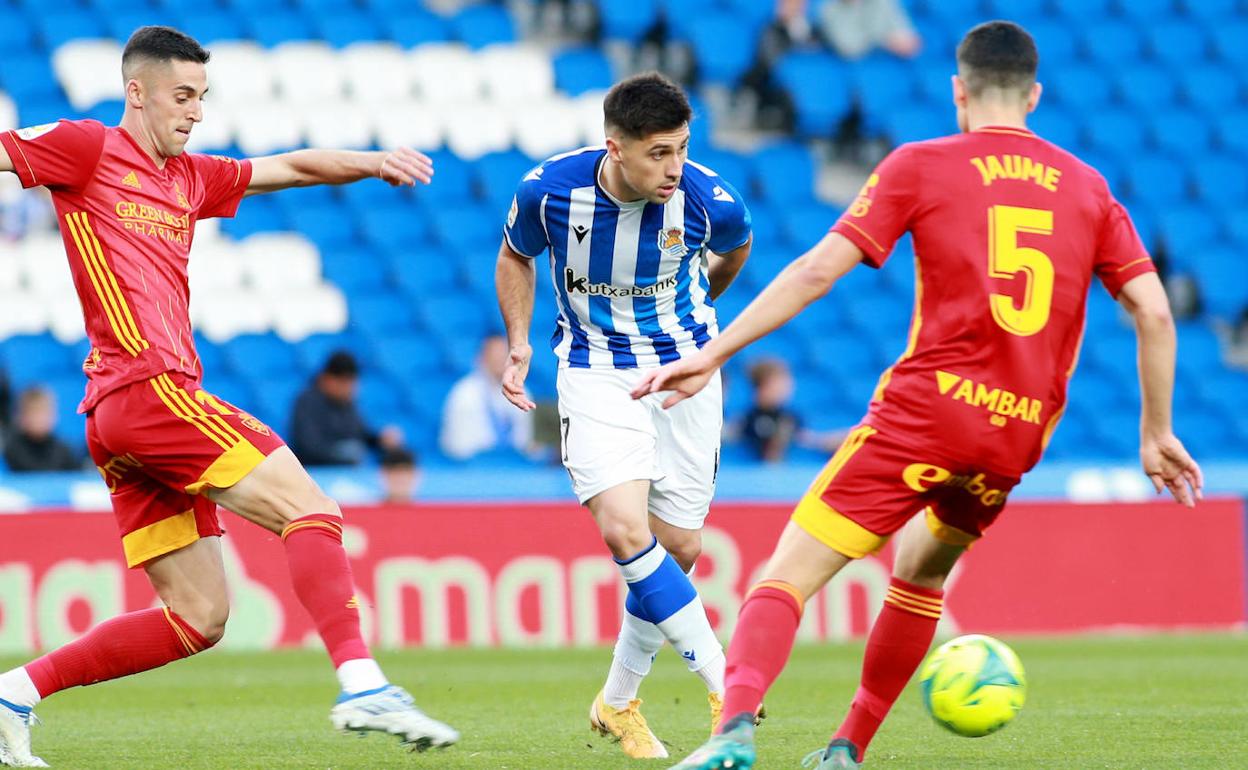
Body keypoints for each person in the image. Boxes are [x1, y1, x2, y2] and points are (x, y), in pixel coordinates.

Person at [633, 21, 1203, 770]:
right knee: (924, 572)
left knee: (786, 576)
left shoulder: (923, 164)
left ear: (958, 92)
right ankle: (846, 750)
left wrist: (713, 354)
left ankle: (733, 732)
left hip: (927, 414)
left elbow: (816, 270)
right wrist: (1155, 430)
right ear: (1034, 95)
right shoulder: (1089, 187)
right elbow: (1155, 312)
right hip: (1017, 431)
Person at [0, 26, 457, 766]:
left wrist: (372, 162)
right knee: (310, 509)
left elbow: (292, 168)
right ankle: (362, 681)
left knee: (198, 616)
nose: (195, 113)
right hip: (148, 389)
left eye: (202, 98)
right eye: (182, 97)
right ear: (136, 92)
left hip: (121, 416)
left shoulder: (190, 176)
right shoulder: (85, 148)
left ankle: (12, 693)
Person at [496, 72, 754, 759]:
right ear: (615, 146)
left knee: (681, 549)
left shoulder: (707, 198)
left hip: (687, 373)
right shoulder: (549, 191)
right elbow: (515, 256)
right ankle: (728, 685)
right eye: (658, 153)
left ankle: (616, 702)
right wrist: (520, 341)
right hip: (595, 370)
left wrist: (701, 315)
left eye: (681, 149)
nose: (674, 168)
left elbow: (735, 249)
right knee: (623, 528)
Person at [288, 350, 403, 466]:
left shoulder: (347, 403)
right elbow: (308, 447)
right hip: (315, 473)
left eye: (352, 382)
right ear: (327, 379)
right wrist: (343, 453)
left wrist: (380, 440)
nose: (350, 388)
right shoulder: (307, 402)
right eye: (345, 382)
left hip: (346, 473)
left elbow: (360, 434)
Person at [439, 333, 534, 460]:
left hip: (514, 467)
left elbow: (526, 444)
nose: (500, 360)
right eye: (495, 355)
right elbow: (459, 449)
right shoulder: (464, 395)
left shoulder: (523, 392)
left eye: (505, 355)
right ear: (481, 358)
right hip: (474, 470)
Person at [3, 387, 82, 472]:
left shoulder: (64, 450)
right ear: (22, 417)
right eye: (34, 413)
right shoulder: (11, 450)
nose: (40, 419)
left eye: (44, 413)